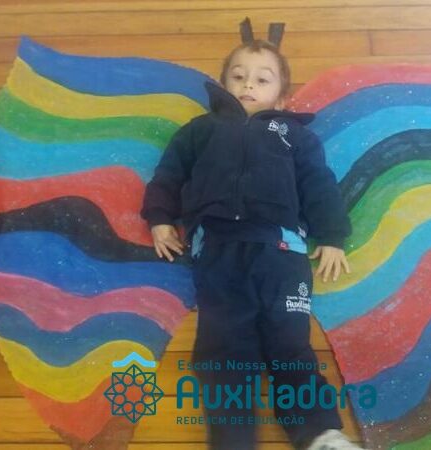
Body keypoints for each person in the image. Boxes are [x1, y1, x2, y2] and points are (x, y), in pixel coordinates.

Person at [141, 32, 361, 450]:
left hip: (283, 253)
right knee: (223, 349)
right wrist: (159, 218)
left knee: (290, 346)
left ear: (282, 97)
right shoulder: (200, 130)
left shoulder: (295, 135)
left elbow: (318, 183)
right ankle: (232, 441)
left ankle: (320, 434)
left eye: (262, 80)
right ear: (224, 85)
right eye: (238, 77)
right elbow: (168, 175)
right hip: (217, 250)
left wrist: (332, 234)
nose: (248, 85)